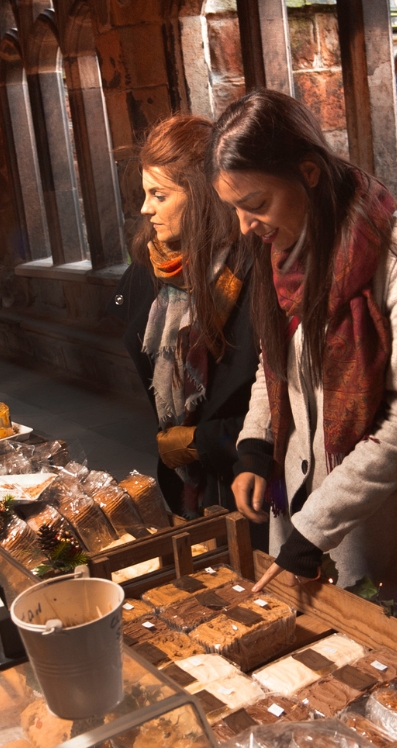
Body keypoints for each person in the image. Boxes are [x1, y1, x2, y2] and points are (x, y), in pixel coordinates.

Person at [212, 90, 397, 627]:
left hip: (383, 529)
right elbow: (274, 362)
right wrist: (254, 447)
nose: (244, 226)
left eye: (255, 204)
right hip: (300, 516)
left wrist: (318, 522)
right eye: (233, 208)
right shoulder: (280, 251)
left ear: (309, 171)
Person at [116, 115, 259, 520]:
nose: (146, 209)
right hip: (186, 484)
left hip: (249, 483)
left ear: (201, 195)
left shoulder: (251, 269)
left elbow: (282, 397)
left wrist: (202, 441)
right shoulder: (150, 269)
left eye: (159, 195)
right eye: (145, 194)